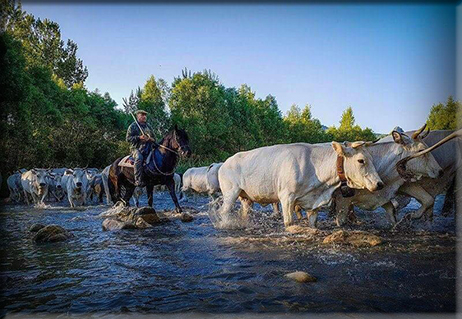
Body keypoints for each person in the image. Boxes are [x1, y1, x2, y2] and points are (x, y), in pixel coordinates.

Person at [126, 110, 156, 187]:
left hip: (148, 147)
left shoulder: (148, 126)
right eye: (142, 115)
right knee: (139, 158)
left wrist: (149, 139)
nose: (144, 116)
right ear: (137, 116)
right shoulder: (133, 126)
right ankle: (138, 179)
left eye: (145, 115)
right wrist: (139, 137)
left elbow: (154, 138)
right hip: (136, 148)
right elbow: (128, 139)